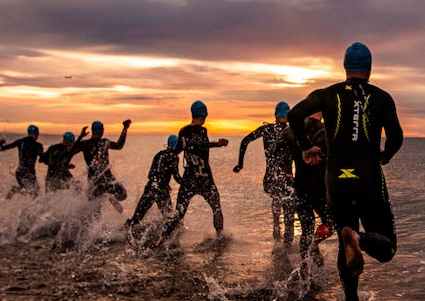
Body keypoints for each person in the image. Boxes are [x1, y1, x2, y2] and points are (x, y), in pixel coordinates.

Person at [287, 42, 403, 301]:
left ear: (345, 68)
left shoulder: (327, 95)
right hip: (369, 178)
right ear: (369, 68)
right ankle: (359, 239)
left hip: (336, 181)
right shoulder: (381, 97)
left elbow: (294, 115)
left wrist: (306, 147)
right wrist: (385, 155)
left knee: (343, 238)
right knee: (387, 248)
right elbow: (397, 137)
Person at [159, 101, 230, 243]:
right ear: (203, 115)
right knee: (216, 208)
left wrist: (164, 175)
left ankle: (161, 239)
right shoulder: (201, 131)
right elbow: (199, 144)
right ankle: (220, 238)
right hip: (204, 178)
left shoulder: (183, 131)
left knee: (179, 212)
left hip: (188, 179)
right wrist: (217, 144)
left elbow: (176, 152)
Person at [233, 102, 298, 245]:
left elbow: (245, 141)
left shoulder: (266, 129)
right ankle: (287, 247)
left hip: (270, 179)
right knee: (289, 212)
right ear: (288, 115)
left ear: (275, 115)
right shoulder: (291, 131)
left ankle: (276, 230)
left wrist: (240, 164)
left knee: (276, 198)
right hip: (286, 178)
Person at [285, 115, 334, 267]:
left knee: (306, 229)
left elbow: (274, 151)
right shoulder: (324, 131)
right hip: (319, 188)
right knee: (331, 223)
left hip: (299, 187)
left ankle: (304, 268)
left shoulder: (289, 133)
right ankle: (314, 243)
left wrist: (283, 171)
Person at [125, 134, 183, 233]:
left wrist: (164, 182)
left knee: (137, 217)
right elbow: (176, 176)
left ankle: (121, 233)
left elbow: (153, 173)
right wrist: (185, 183)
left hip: (150, 186)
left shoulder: (159, 154)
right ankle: (169, 238)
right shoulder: (174, 157)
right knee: (169, 217)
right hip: (160, 189)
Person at [72, 119, 131, 212]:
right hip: (107, 177)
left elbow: (70, 152)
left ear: (92, 130)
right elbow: (119, 146)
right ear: (102, 130)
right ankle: (108, 194)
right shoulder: (104, 142)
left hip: (92, 179)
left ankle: (106, 194)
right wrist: (125, 128)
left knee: (95, 211)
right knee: (122, 194)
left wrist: (80, 137)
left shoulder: (84, 144)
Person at [0, 125, 44, 198]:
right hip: (29, 172)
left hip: (19, 172)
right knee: (35, 192)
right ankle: (16, 190)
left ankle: (16, 192)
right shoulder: (38, 145)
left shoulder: (20, 141)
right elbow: (42, 158)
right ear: (36, 134)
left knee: (26, 189)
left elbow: (5, 147)